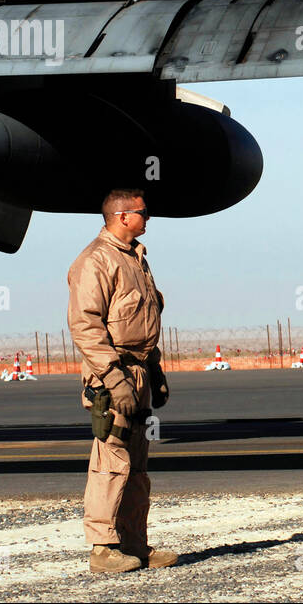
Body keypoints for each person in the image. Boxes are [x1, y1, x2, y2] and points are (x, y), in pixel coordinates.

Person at [67, 188, 176, 573]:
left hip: (140, 372)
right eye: (144, 212)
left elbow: (144, 322)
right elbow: (85, 325)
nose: (149, 218)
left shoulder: (137, 260)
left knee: (137, 465)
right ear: (123, 216)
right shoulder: (95, 261)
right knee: (110, 461)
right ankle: (103, 548)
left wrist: (156, 372)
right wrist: (114, 379)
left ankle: (135, 544)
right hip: (112, 375)